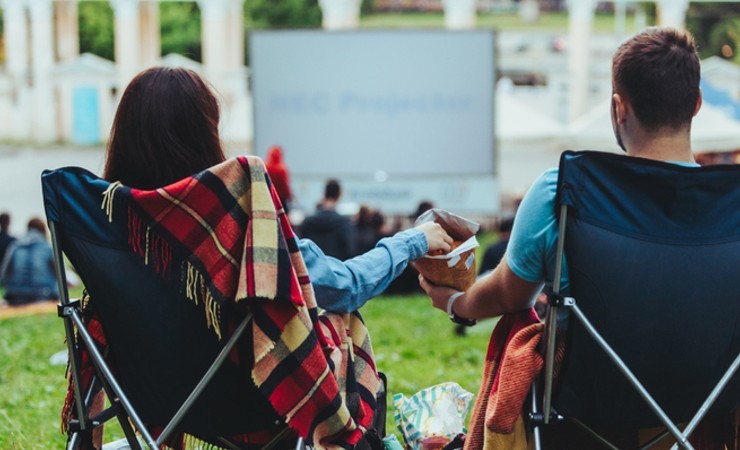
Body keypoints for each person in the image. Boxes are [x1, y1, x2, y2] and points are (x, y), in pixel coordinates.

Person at [421, 27, 733, 447]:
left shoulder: (563, 190)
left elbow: (511, 296)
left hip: (586, 422)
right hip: (703, 420)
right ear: (696, 104)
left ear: (618, 109)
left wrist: (457, 303)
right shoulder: (731, 208)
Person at [102, 66, 452, 314]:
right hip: (247, 398)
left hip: (149, 403)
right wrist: (413, 241)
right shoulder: (239, 229)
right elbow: (344, 286)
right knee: (343, 325)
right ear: (205, 140)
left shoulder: (104, 225)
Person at [0, 217, 59, 305]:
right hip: (43, 295)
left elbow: (4, 275)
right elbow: (59, 275)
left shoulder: (14, 247)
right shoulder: (47, 247)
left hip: (15, 296)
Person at [299, 179, 356, 261]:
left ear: (325, 193)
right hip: (335, 270)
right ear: (339, 195)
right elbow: (350, 251)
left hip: (312, 270)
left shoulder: (307, 223)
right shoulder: (344, 224)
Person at [264, 145, 293, 214]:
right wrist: (290, 196)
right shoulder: (282, 169)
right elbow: (285, 187)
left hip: (268, 199)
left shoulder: (264, 167)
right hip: (280, 200)